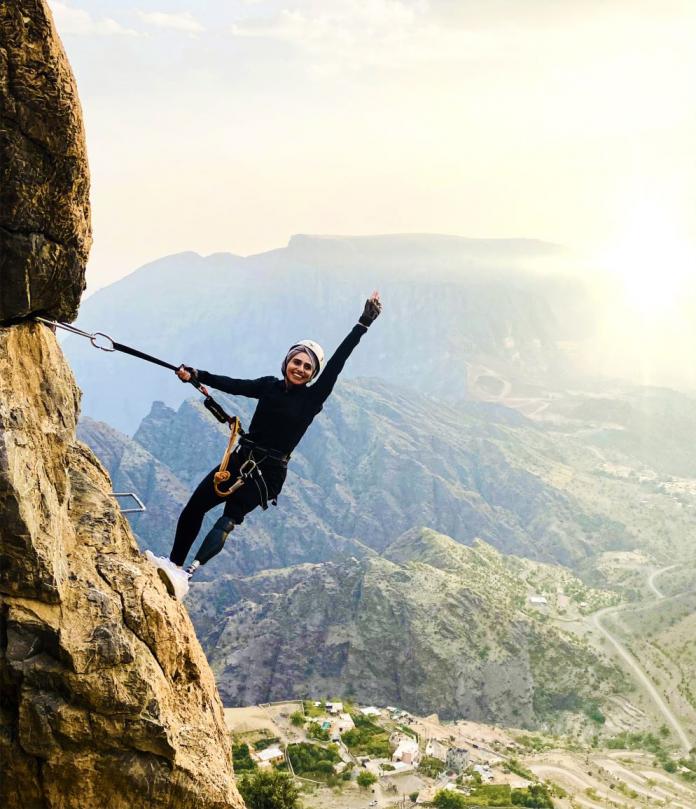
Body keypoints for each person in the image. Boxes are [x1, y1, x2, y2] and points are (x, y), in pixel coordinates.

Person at [145, 291, 382, 598]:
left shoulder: (312, 398)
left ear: (313, 375)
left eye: (307, 367)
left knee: (228, 518)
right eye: (296, 362)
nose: (300, 369)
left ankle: (186, 577)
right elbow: (233, 384)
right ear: (287, 362)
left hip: (267, 474)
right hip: (242, 458)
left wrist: (363, 323)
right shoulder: (268, 386)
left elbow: (338, 361)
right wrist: (195, 375)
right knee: (195, 507)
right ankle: (174, 566)